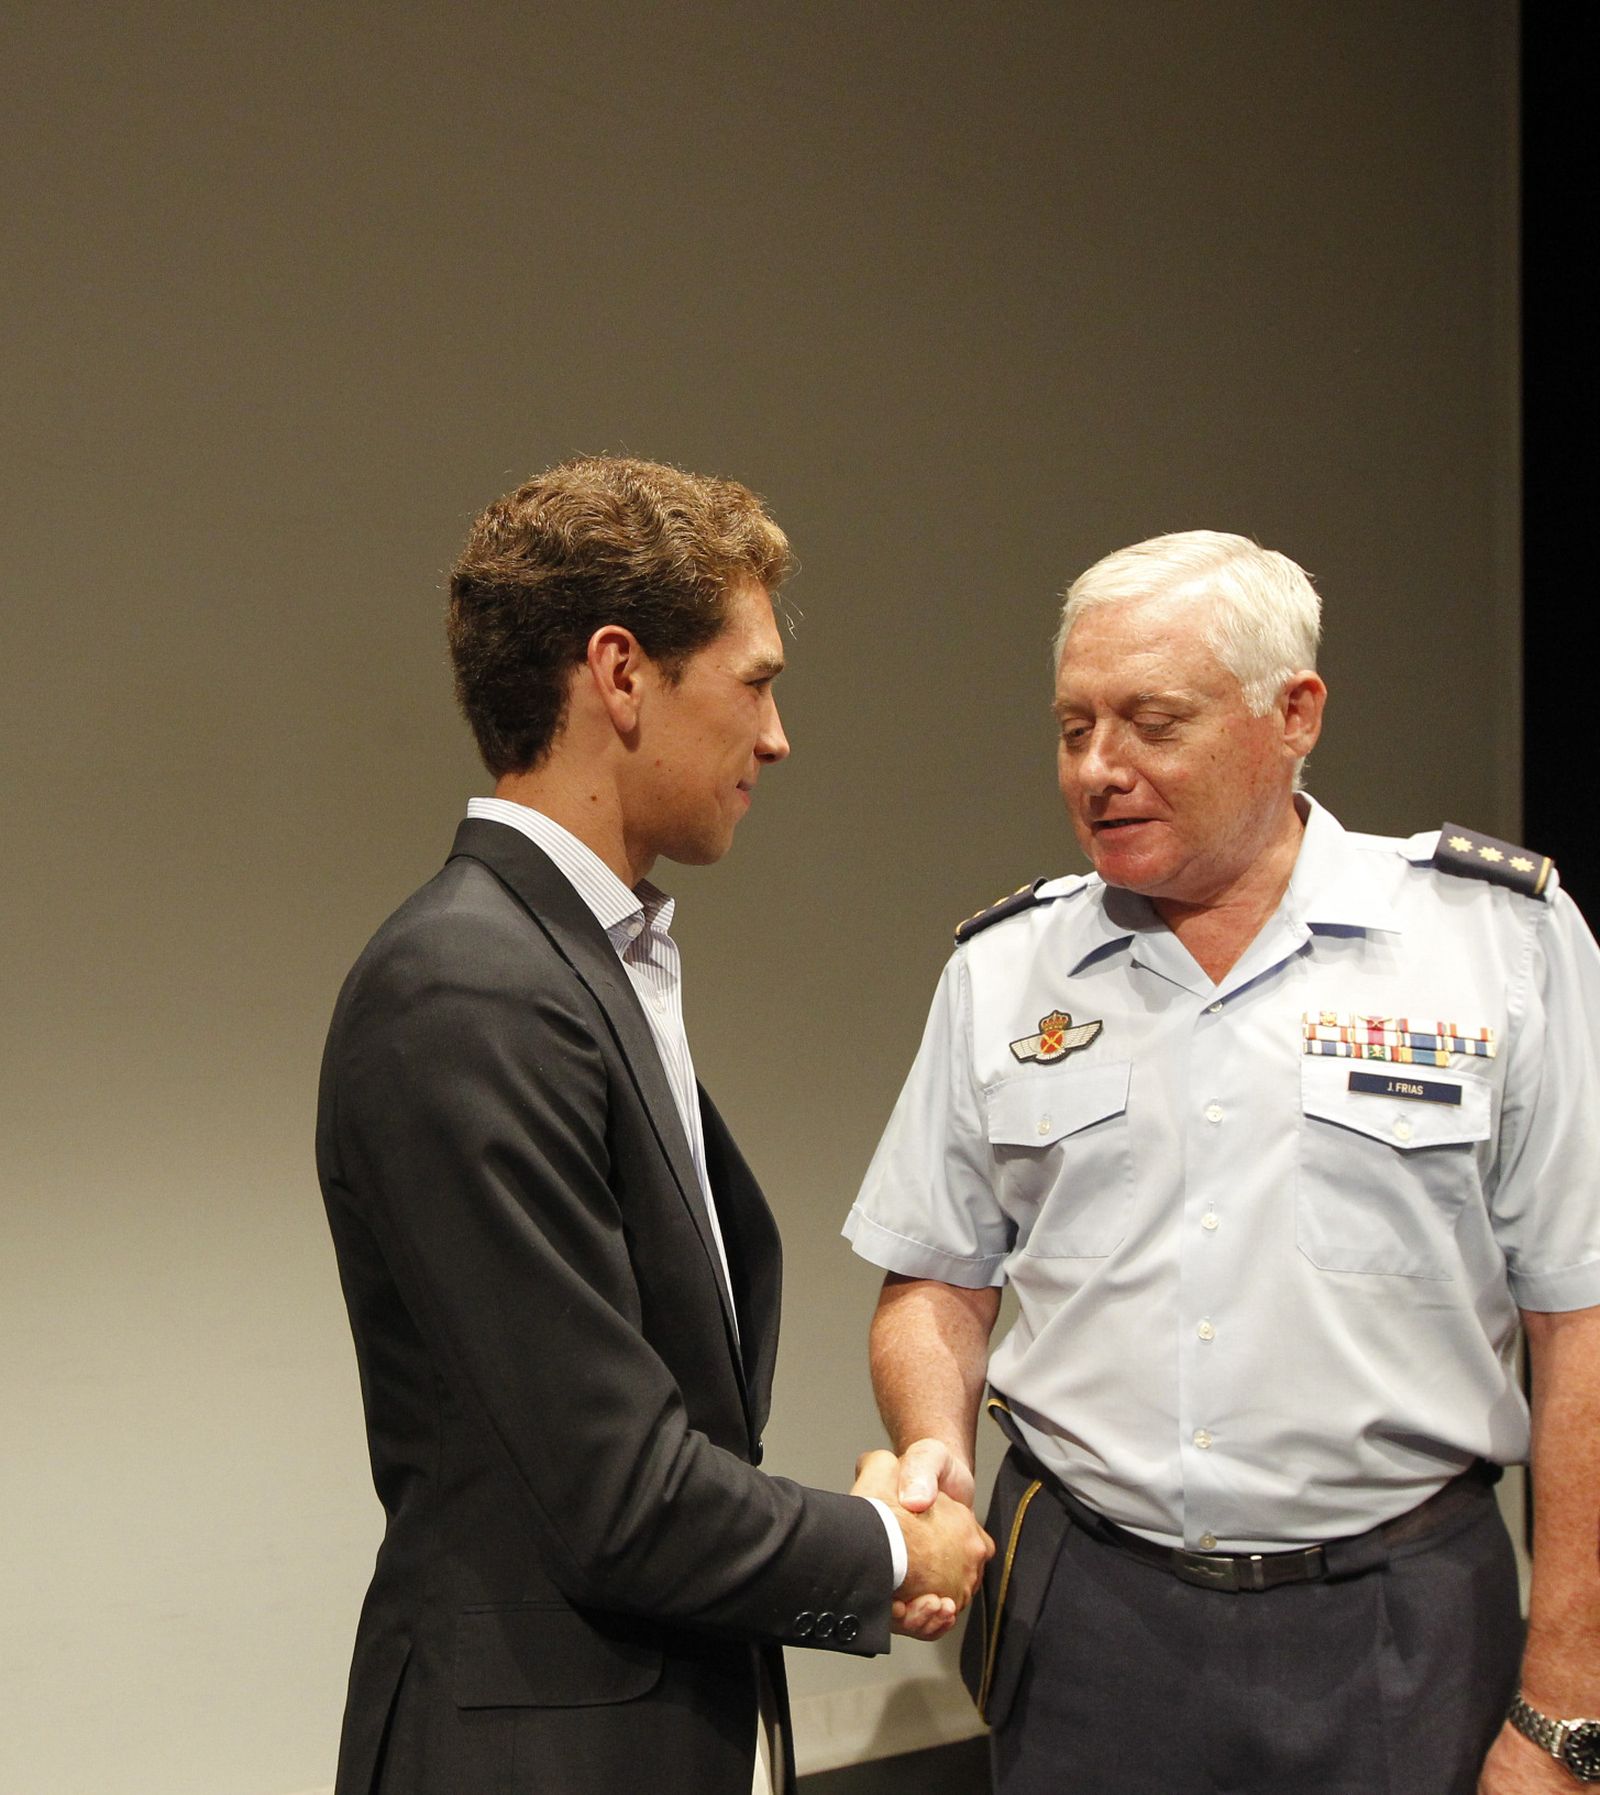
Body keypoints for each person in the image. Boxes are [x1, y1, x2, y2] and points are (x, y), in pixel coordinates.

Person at [844, 530, 1600, 1794]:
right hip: (1084, 1622)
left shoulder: (1496, 946)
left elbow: (1579, 1326)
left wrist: (1568, 1704)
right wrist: (938, 1450)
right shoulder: (1000, 971)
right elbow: (936, 1281)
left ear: (1292, 713)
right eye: (1073, 725)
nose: (1098, 769)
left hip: (1397, 1625)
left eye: (1151, 721)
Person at [316, 455, 990, 1795]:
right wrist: (885, 1548)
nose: (779, 733)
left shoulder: (566, 961)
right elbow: (617, 1491)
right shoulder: (467, 985)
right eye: (755, 680)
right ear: (621, 674)